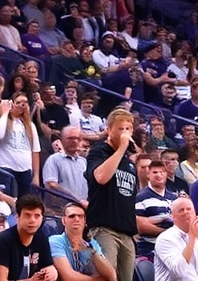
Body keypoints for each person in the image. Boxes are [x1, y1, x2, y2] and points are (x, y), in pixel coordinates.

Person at [85, 108, 138, 281]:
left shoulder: (128, 162)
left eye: (128, 129)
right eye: (120, 129)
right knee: (107, 277)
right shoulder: (99, 151)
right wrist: (121, 148)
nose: (125, 133)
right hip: (104, 228)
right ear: (109, 130)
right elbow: (101, 177)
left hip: (126, 232)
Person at [0, 194, 55, 281]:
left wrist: (51, 273)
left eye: (37, 216)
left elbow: (48, 266)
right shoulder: (2, 241)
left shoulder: (41, 237)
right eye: (27, 215)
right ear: (17, 217)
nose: (32, 220)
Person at [154, 197, 198, 281]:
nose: (186, 212)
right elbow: (178, 272)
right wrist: (192, 238)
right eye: (181, 210)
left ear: (195, 213)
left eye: (189, 209)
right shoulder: (165, 239)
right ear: (172, 217)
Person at [50, 201, 116, 281]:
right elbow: (68, 277)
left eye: (80, 216)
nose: (77, 219)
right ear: (63, 221)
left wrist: (92, 252)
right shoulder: (55, 241)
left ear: (85, 221)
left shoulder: (92, 244)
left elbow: (111, 275)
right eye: (72, 216)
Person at [136, 153, 178, 260]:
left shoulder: (174, 198)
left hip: (173, 249)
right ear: (148, 175)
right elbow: (141, 227)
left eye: (162, 172)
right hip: (149, 251)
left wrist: (157, 221)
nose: (159, 175)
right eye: (155, 172)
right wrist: (168, 229)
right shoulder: (141, 197)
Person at [43, 126, 88, 206]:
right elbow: (51, 185)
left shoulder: (83, 162)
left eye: (77, 138)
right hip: (59, 210)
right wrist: (77, 200)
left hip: (82, 208)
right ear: (62, 140)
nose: (74, 141)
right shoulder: (54, 159)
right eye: (70, 138)